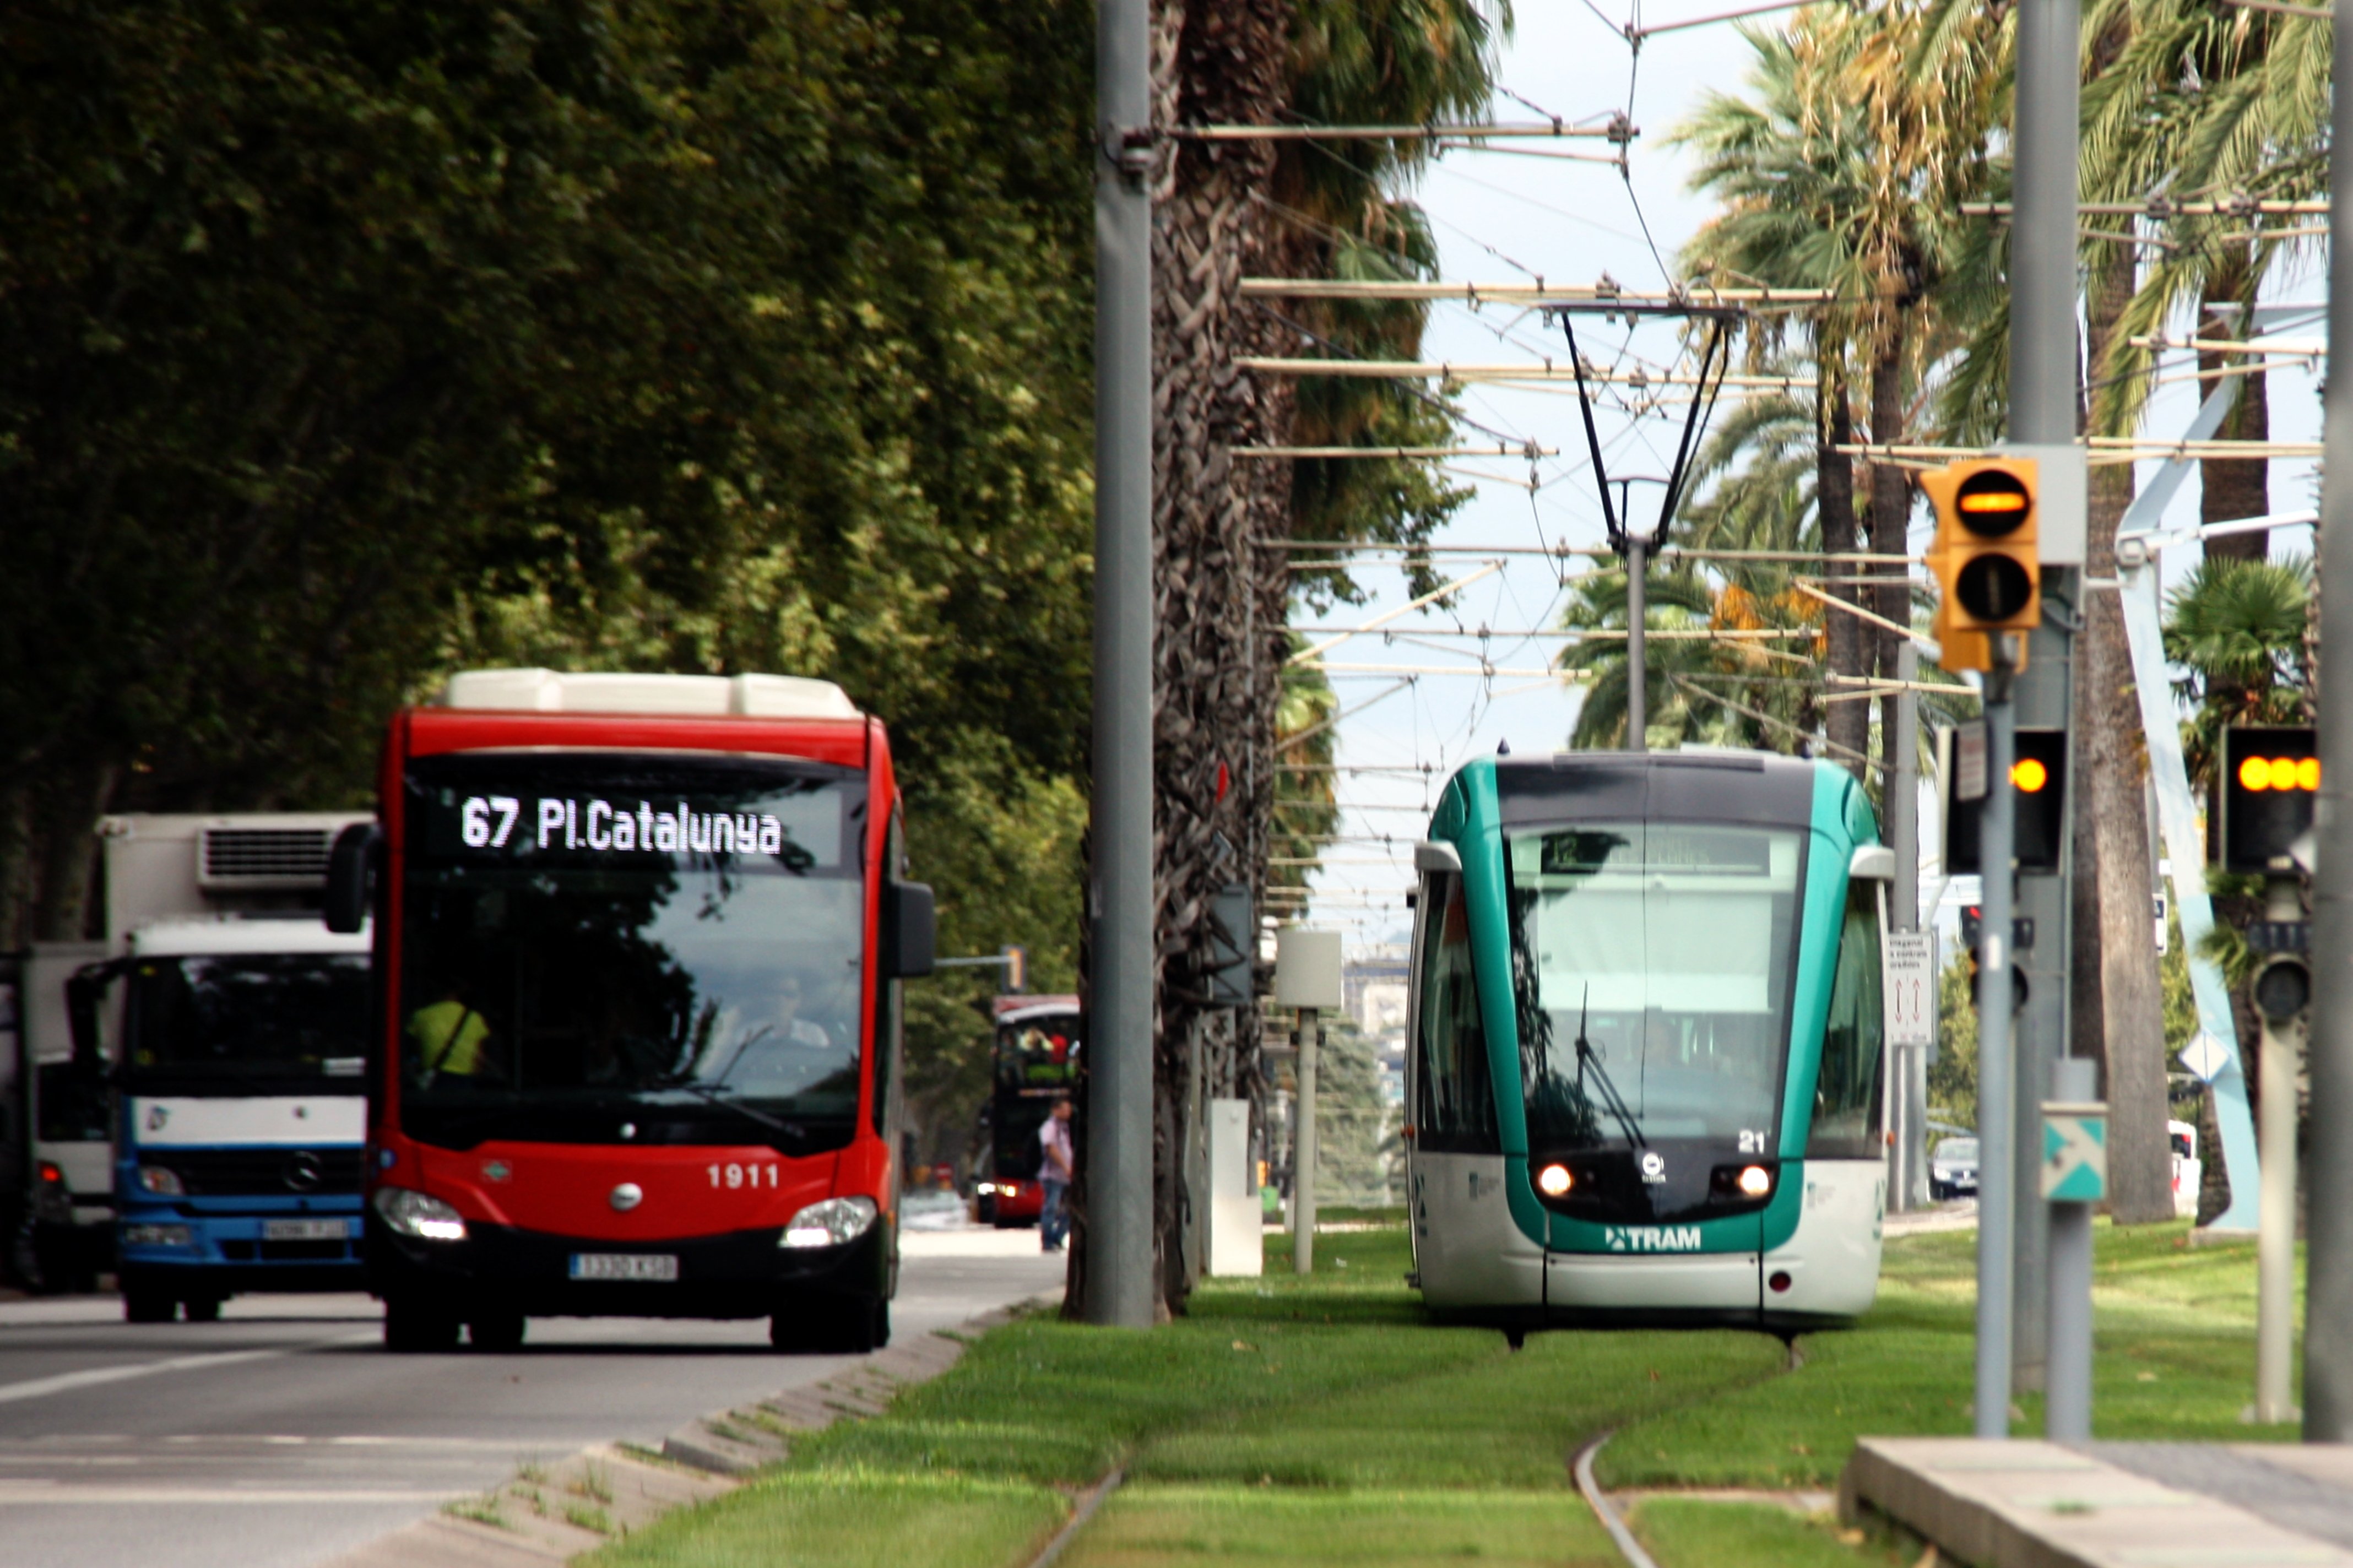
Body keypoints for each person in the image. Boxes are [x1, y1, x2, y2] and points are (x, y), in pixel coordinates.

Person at [408, 985, 494, 1087]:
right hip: (464, 1079)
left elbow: (412, 1049)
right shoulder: (474, 1018)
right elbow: (479, 1056)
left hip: (432, 1078)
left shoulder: (421, 1015)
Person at [1037, 1097, 1074, 1253]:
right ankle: (1047, 1240)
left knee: (1070, 1210)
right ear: (1055, 1110)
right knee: (1051, 1208)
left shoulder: (1065, 1127)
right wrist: (1066, 1167)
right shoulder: (1050, 1127)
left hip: (1066, 1177)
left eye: (1069, 1109)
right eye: (1064, 1109)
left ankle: (1058, 1237)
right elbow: (1051, 1148)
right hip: (1053, 1176)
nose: (1068, 1113)